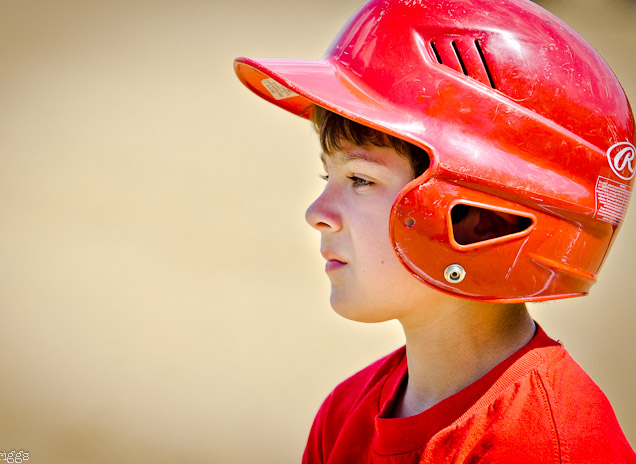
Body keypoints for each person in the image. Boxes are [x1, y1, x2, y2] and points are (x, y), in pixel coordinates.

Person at [234, 0, 636, 462]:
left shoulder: (549, 445)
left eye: (360, 179)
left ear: (481, 214)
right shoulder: (344, 414)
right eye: (329, 177)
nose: (317, 213)